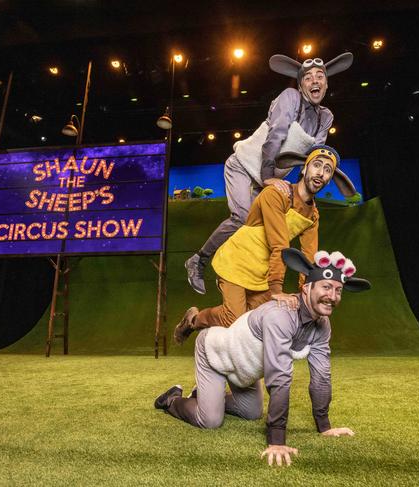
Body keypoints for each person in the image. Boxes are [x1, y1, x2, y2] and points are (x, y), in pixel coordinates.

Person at [155, 248, 371, 467]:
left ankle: (202, 394)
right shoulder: (281, 316)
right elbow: (280, 378)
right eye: (326, 287)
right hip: (216, 354)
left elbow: (321, 377)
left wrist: (324, 426)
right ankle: (171, 399)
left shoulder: (322, 326)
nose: (332, 296)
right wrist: (276, 440)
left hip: (245, 370)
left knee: (251, 412)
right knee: (210, 420)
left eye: (339, 290)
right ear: (306, 288)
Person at [185, 52, 355, 295]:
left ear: (327, 84)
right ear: (300, 84)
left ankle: (236, 275)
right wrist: (268, 177)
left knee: (263, 230)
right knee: (243, 218)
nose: (315, 81)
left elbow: (313, 157)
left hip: (270, 180)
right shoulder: (290, 98)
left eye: (320, 76)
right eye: (308, 78)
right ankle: (198, 261)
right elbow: (274, 138)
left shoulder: (325, 118)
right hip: (244, 167)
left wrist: (303, 193)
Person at [174, 145, 357, 344]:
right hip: (237, 261)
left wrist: (307, 295)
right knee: (234, 319)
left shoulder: (313, 215)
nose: (321, 173)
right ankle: (193, 320)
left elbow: (309, 257)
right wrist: (277, 290)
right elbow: (279, 245)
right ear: (304, 168)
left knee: (258, 321)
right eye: (317, 165)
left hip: (261, 273)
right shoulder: (277, 194)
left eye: (327, 170)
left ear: (330, 179)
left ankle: (254, 373)